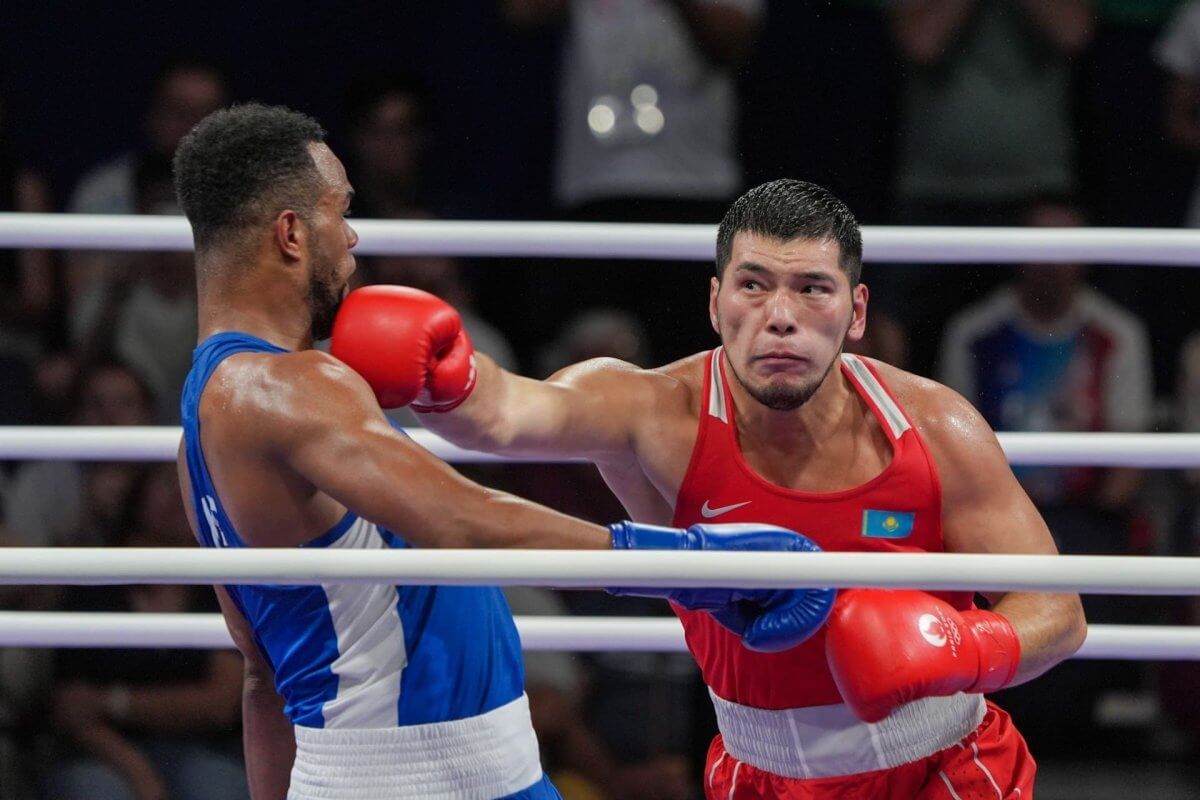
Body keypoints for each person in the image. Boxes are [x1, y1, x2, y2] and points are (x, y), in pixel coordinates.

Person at [333, 179, 1089, 797]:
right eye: (753, 286)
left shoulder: (933, 425)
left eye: (812, 290)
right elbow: (503, 416)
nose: (781, 318)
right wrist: (446, 382)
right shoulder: (654, 414)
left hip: (943, 773)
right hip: (757, 774)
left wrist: (961, 647)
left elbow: (1058, 612)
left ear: (856, 313)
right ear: (714, 302)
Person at [171, 104, 833, 800]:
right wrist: (690, 565)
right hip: (411, 781)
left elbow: (262, 678)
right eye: (341, 210)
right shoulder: (289, 386)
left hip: (461, 772)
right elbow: (457, 520)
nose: (355, 237)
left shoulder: (196, 443)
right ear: (291, 233)